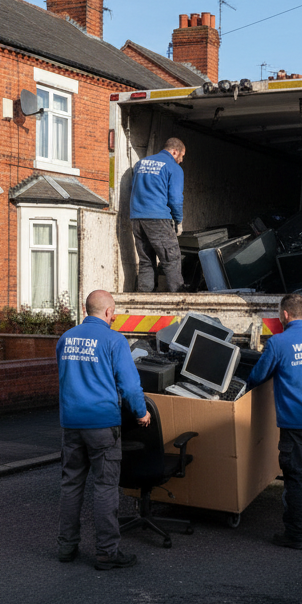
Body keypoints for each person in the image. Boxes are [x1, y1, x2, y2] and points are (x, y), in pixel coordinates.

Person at [56, 290, 150, 570]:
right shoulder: (114, 340)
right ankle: (107, 552)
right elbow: (130, 386)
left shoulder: (66, 338)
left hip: (71, 423)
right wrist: (141, 412)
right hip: (101, 424)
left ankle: (66, 547)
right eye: (114, 312)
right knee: (105, 487)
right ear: (108, 312)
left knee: (71, 485)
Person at [246, 294, 302, 549]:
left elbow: (258, 376)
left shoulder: (278, 342)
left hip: (295, 423)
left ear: (284, 315)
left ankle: (296, 535)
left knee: (295, 478)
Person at [129, 137, 186, 293]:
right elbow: (175, 198)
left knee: (146, 260)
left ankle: (144, 298)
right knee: (171, 259)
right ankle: (179, 299)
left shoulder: (140, 164)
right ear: (175, 152)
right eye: (181, 156)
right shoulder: (173, 167)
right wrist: (178, 220)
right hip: (158, 218)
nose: (181, 161)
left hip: (137, 218)